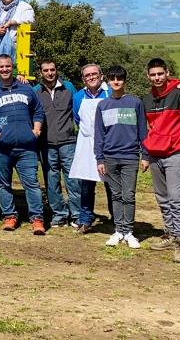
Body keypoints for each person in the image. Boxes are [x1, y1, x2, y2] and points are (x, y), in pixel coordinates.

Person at [0, 54, 46, 235]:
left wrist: (36, 130)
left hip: (26, 147)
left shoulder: (26, 88)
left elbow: (38, 110)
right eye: (1, 67)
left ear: (12, 67)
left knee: (31, 183)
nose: (5, 69)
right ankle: (9, 216)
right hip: (1, 148)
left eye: (8, 66)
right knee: (3, 183)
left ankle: (37, 219)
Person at [141, 58, 180, 263]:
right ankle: (171, 234)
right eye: (153, 75)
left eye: (160, 74)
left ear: (167, 73)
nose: (157, 78)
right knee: (163, 198)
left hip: (177, 153)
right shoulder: (147, 99)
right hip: (156, 154)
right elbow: (149, 127)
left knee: (176, 198)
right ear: (148, 76)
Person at [94, 65, 147, 249]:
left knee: (129, 195)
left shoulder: (135, 103)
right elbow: (99, 134)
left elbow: (143, 131)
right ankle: (119, 230)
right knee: (115, 195)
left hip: (130, 157)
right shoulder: (102, 105)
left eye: (120, 78)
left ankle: (129, 232)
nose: (116, 82)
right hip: (109, 158)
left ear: (125, 80)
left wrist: (145, 155)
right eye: (113, 78)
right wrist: (99, 159)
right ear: (107, 81)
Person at [33, 59, 80, 228]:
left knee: (73, 181)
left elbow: (79, 108)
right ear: (41, 72)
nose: (50, 73)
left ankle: (76, 214)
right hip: (46, 144)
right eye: (46, 70)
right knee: (52, 182)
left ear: (56, 70)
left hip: (68, 142)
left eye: (52, 69)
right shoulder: (35, 92)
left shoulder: (68, 87)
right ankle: (59, 215)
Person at [69, 64, 112, 234]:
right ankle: (86, 219)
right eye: (87, 75)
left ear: (101, 76)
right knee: (86, 185)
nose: (91, 77)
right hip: (87, 145)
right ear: (83, 79)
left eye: (95, 74)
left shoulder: (110, 94)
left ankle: (116, 219)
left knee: (112, 184)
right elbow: (78, 119)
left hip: (109, 144)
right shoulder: (78, 96)